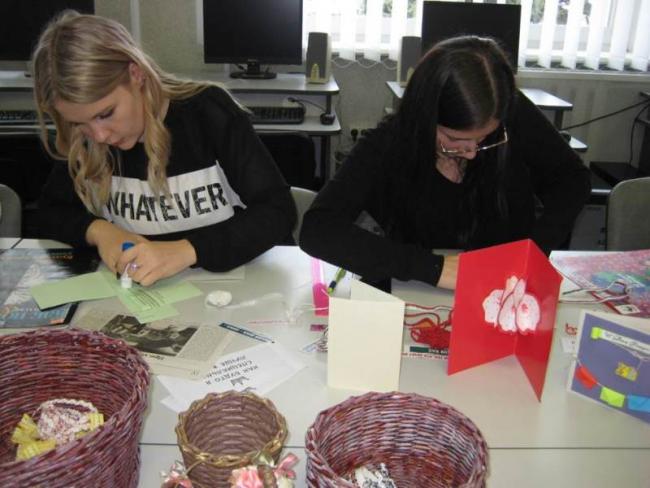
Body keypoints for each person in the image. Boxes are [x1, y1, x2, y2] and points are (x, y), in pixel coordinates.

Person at [300, 36, 591, 290]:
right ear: (425, 118)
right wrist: (435, 268)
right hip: (420, 289)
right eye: (454, 139)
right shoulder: (391, 141)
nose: (472, 153)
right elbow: (318, 229)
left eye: (485, 138)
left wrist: (532, 251)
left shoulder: (506, 111)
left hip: (504, 289)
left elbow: (572, 180)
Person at [32, 11, 296, 286]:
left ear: (136, 74)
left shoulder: (207, 112)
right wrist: (100, 232)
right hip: (146, 295)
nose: (98, 136)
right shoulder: (85, 139)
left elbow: (277, 212)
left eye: (106, 113)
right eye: (78, 123)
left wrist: (186, 251)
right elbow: (50, 213)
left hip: (234, 286)